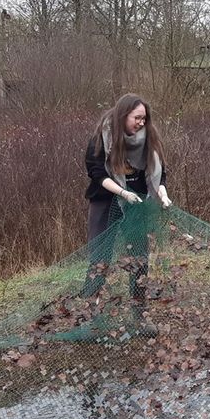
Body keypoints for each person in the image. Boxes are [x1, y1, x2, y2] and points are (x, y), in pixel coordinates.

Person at [82, 93, 172, 331]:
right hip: (105, 201)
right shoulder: (102, 137)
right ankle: (93, 316)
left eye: (144, 118)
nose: (141, 123)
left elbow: (159, 171)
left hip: (137, 207)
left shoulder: (148, 138)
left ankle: (139, 316)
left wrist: (162, 193)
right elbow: (96, 173)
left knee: (139, 259)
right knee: (99, 259)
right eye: (137, 118)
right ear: (123, 116)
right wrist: (122, 193)